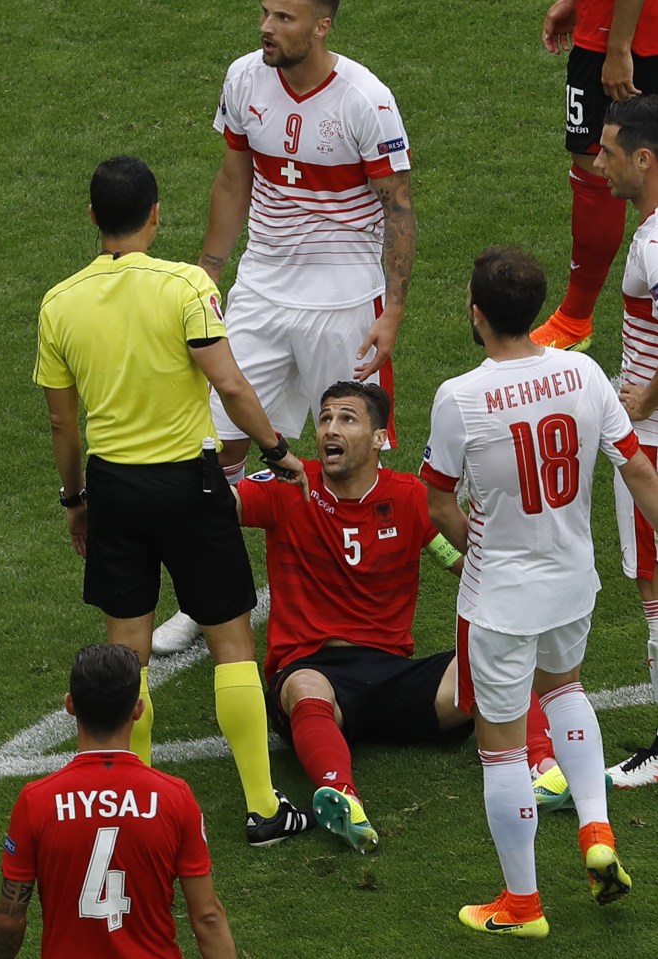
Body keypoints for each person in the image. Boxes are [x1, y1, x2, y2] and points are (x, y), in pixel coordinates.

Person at [34, 155, 312, 846]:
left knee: (127, 654)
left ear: (93, 216)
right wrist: (277, 451)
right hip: (190, 483)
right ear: (155, 215)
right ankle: (262, 807)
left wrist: (76, 499)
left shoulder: (59, 302)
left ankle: (137, 809)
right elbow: (233, 388)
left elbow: (62, 423)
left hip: (115, 487)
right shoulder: (186, 285)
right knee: (231, 642)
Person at [153, 0, 415, 655]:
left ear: (322, 26)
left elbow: (399, 209)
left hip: (345, 303)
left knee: (349, 455)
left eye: (285, 17)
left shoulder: (366, 101)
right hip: (263, 293)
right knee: (213, 449)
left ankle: (352, 599)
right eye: (265, 13)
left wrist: (393, 308)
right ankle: (207, 597)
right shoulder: (244, 79)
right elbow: (233, 176)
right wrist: (209, 269)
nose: (268, 27)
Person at [421, 246, 658, 937]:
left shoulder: (459, 397)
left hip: (499, 597)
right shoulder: (583, 371)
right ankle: (594, 829)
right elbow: (637, 470)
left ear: (475, 312)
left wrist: (478, 547)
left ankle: (521, 905)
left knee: (500, 749)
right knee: (564, 690)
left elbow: (436, 504)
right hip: (570, 581)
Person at [234, 381, 557, 853]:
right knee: (305, 688)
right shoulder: (291, 484)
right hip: (312, 668)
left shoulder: (408, 497)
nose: (330, 429)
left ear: (380, 438)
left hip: (392, 675)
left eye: (347, 418)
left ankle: (545, 769)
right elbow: (226, 507)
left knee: (488, 659)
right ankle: (342, 796)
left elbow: (460, 558)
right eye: (325, 418)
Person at [0, 644, 237, 959]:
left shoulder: (37, 800)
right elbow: (208, 916)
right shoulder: (174, 797)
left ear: (70, 705)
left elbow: (10, 917)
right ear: (138, 709)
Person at [530, 0, 658, 353]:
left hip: (627, 38)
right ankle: (575, 317)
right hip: (613, 27)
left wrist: (617, 47)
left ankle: (575, 317)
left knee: (602, 165)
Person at [598, 95, 658, 786]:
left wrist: (646, 393)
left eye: (609, 152)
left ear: (642, 160)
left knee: (652, 591)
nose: (599, 163)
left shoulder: (652, 241)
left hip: (649, 441)